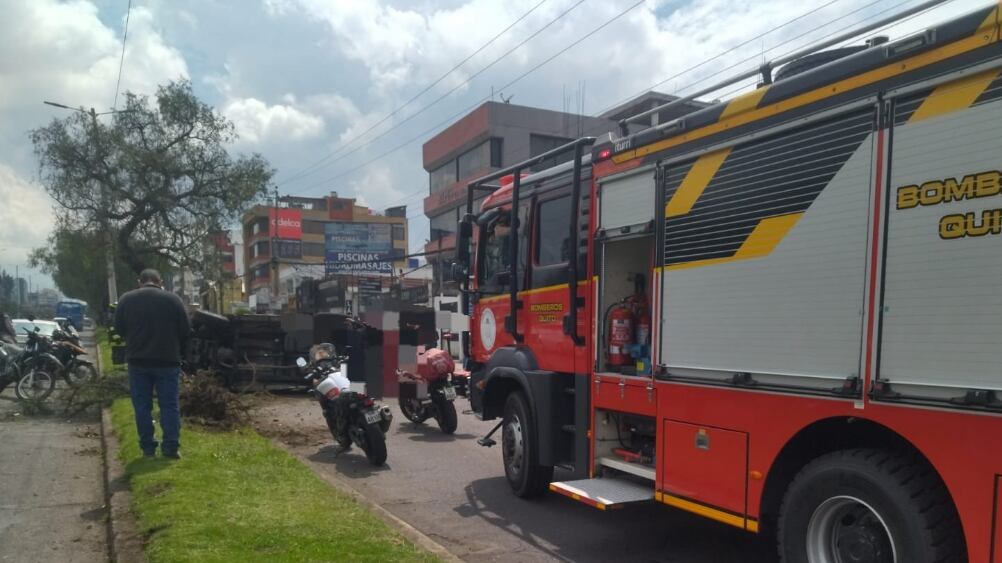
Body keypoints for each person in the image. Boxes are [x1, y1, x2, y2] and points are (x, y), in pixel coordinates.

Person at [114, 269, 191, 459]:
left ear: (139, 281)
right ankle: (171, 448)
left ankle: (148, 448)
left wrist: (134, 340)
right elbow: (186, 330)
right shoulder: (173, 300)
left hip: (138, 361)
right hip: (167, 361)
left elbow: (118, 328)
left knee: (142, 406)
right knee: (169, 405)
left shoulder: (126, 299)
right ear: (160, 281)